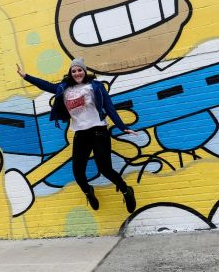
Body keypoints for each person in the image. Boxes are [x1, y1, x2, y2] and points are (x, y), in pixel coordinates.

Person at [16, 58, 136, 213]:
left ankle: (126, 191)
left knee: (105, 169)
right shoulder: (64, 89)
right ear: (70, 73)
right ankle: (88, 191)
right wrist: (26, 76)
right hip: (81, 134)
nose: (77, 73)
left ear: (84, 71)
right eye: (74, 71)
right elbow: (45, 85)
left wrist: (122, 126)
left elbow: (109, 107)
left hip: (99, 132)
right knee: (78, 173)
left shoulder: (95, 86)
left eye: (80, 70)